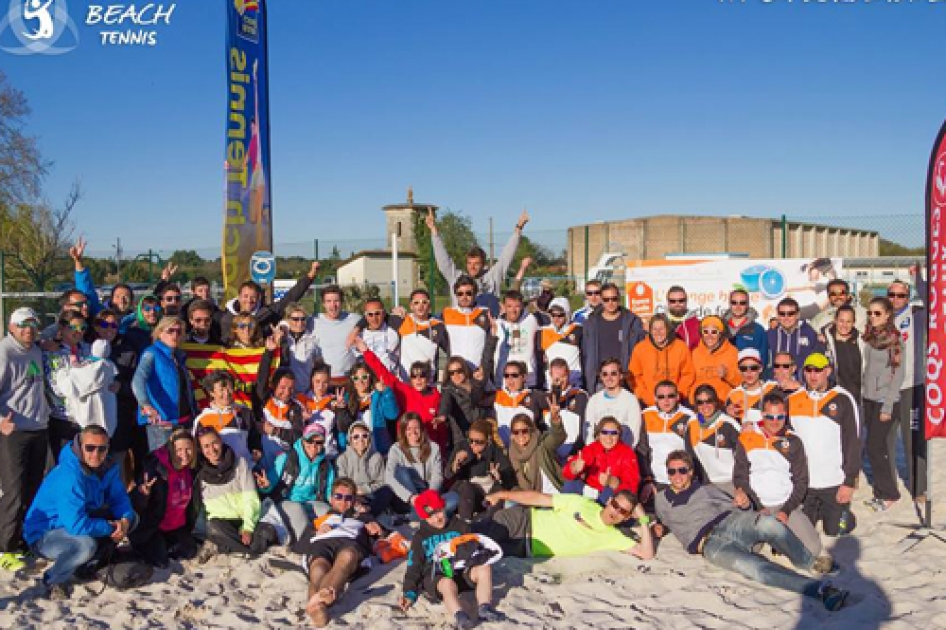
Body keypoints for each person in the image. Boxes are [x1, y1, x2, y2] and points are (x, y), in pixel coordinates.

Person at [654, 450, 848, 612]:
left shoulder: (706, 489)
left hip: (731, 522)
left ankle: (808, 561)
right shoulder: (661, 499)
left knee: (769, 524)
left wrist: (745, 505)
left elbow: (735, 507)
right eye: (672, 471)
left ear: (690, 472)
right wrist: (657, 527)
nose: (677, 476)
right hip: (710, 545)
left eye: (682, 470)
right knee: (755, 569)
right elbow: (662, 521)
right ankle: (820, 590)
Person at [23, 426, 137, 599]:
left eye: (102, 448)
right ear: (79, 447)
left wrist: (125, 520)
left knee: (134, 518)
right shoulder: (70, 475)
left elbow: (119, 498)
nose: (96, 454)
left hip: (83, 518)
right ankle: (53, 580)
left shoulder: (108, 467)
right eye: (90, 448)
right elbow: (75, 524)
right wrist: (110, 527)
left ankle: (89, 564)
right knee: (84, 545)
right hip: (46, 533)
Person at [733, 394, 824, 559]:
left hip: (784, 504)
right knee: (746, 550)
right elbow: (740, 477)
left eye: (780, 416)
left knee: (813, 549)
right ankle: (773, 537)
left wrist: (786, 511)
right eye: (770, 416)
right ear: (762, 415)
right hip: (757, 506)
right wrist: (758, 507)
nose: (775, 421)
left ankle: (777, 538)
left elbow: (801, 481)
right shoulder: (747, 437)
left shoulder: (794, 440)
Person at [399, 489, 506, 629]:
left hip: (462, 571)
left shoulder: (460, 526)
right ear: (424, 518)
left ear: (444, 507)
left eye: (438, 511)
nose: (437, 518)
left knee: (484, 568)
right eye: (430, 516)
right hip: (437, 576)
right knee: (447, 584)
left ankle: (484, 607)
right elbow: (414, 566)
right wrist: (409, 593)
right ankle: (460, 616)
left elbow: (474, 547)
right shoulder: (421, 537)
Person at [296, 477, 385, 628]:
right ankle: (320, 606)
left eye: (348, 498)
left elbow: (383, 537)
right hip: (323, 542)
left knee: (347, 557)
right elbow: (299, 545)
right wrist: (316, 532)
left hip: (350, 543)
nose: (343, 501)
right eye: (338, 496)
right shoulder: (321, 520)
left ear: (354, 500)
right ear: (331, 499)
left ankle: (317, 604)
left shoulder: (363, 517)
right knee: (318, 567)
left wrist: (378, 532)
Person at [788, 353, 860, 537]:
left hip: (833, 482)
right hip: (805, 484)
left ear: (827, 371)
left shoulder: (843, 398)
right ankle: (817, 512)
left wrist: (849, 481)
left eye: (818, 371)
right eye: (809, 370)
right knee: (803, 532)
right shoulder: (793, 399)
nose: (813, 375)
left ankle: (843, 512)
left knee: (837, 530)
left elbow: (853, 441)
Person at [0, 308, 50, 571]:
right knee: (13, 491)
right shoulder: (5, 351)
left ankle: (22, 541)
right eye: (22, 325)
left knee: (33, 488)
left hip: (38, 427)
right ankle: (4, 548)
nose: (28, 329)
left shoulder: (36, 349)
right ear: (11, 327)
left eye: (33, 324)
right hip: (14, 431)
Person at [480, 487, 655, 559]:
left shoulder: (613, 537)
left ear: (626, 518)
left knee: (482, 557)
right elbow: (538, 498)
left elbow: (646, 554)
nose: (615, 512)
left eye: (622, 511)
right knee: (476, 539)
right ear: (609, 501)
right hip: (523, 520)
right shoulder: (582, 502)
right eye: (616, 505)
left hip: (525, 548)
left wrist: (643, 519)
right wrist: (501, 495)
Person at [194, 427, 277, 560]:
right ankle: (250, 551)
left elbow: (251, 498)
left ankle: (231, 548)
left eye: (214, 443)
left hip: (244, 519)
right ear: (201, 449)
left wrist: (247, 528)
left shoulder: (240, 463)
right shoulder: (200, 473)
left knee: (269, 532)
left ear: (221, 441)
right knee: (214, 528)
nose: (212, 449)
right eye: (206, 446)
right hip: (222, 523)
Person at [428, 206, 529, 316]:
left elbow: (506, 256)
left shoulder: (492, 277)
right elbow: (443, 261)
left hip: (487, 326)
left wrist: (519, 228)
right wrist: (434, 232)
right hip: (461, 324)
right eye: (469, 263)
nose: (472, 267)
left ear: (483, 264)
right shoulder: (457, 278)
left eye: (476, 264)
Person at [356, 338, 447, 454]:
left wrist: (442, 453)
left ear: (428, 378)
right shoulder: (405, 391)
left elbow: (441, 428)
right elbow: (383, 372)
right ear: (410, 379)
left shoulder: (436, 396)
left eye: (422, 376)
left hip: (428, 448)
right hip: (406, 447)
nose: (418, 379)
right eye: (414, 376)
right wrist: (366, 351)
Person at [128, 428, 199, 567]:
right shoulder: (155, 469)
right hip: (154, 526)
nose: (184, 454)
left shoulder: (191, 470)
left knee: (189, 551)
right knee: (159, 560)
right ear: (171, 449)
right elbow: (135, 504)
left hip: (176, 526)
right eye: (179, 449)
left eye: (188, 449)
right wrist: (143, 494)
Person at [861, 297, 905, 512]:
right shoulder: (870, 337)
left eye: (877, 313)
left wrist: (888, 406)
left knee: (874, 447)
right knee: (874, 448)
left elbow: (898, 375)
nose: (872, 317)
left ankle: (890, 493)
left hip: (884, 401)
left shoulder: (894, 341)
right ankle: (879, 492)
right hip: (868, 398)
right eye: (870, 313)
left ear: (888, 314)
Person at [888, 270, 928, 504]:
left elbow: (934, 303)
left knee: (913, 438)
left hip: (912, 385)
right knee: (885, 441)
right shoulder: (880, 317)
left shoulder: (917, 315)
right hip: (885, 389)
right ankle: (888, 488)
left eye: (901, 295)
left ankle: (918, 487)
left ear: (908, 296)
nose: (895, 299)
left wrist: (919, 282)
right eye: (891, 295)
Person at [91, 308, 144, 482]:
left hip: (119, 418)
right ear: (96, 327)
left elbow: (139, 385)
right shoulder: (86, 350)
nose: (109, 328)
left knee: (117, 465)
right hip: (93, 418)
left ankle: (118, 503)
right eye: (104, 324)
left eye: (114, 325)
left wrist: (122, 387)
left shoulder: (128, 352)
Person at [132, 316, 197, 453]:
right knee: (163, 464)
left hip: (183, 420)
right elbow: (138, 380)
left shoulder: (179, 357)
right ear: (160, 333)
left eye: (179, 332)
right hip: (161, 422)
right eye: (170, 331)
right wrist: (146, 405)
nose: (175, 335)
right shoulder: (151, 353)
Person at [263, 423, 336, 543]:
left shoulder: (326, 465)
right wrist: (265, 486)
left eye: (318, 442)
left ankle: (325, 541)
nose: (313, 445)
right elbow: (269, 485)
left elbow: (329, 490)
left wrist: (336, 501)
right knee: (297, 510)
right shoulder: (286, 459)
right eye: (309, 440)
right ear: (303, 440)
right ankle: (306, 542)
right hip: (286, 501)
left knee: (327, 512)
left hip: (311, 502)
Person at [219, 261, 320, 344]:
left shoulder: (269, 314)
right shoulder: (226, 318)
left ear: (258, 298)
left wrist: (310, 277)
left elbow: (290, 297)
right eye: (245, 296)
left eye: (253, 297)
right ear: (239, 297)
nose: (249, 300)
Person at [42, 309, 92, 459]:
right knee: (65, 463)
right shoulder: (52, 352)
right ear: (62, 329)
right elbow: (58, 388)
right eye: (73, 327)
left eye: (82, 328)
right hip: (63, 418)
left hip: (87, 418)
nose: (79, 332)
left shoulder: (88, 350)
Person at [448, 420, 517, 521]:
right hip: (466, 493)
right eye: (471, 440)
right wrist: (455, 465)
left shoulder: (495, 451)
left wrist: (499, 476)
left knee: (499, 492)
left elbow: (509, 476)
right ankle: (465, 523)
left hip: (488, 492)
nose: (473, 444)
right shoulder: (462, 448)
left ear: (488, 440)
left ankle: (488, 522)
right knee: (466, 487)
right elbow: (448, 474)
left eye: (479, 442)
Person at [582, 283, 645, 392]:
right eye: (606, 299)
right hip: (600, 382)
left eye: (614, 299)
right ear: (601, 300)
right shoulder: (591, 323)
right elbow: (585, 354)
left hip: (625, 381)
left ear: (619, 299)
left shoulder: (632, 322)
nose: (610, 303)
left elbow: (641, 351)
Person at [384, 413, 452, 515]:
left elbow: (437, 476)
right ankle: (420, 512)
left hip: (428, 491)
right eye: (408, 429)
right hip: (410, 495)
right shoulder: (396, 449)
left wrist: (430, 496)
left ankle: (427, 511)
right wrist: (410, 497)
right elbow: (388, 477)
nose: (413, 432)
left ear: (422, 429)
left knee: (455, 497)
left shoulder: (434, 447)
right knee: (400, 471)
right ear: (403, 431)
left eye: (416, 428)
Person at [563, 416, 641, 503]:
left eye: (614, 433)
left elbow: (632, 487)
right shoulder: (592, 448)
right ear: (598, 434)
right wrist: (574, 468)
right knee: (570, 484)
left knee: (609, 492)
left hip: (611, 496)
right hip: (591, 492)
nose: (609, 437)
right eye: (604, 432)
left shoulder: (627, 453)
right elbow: (566, 472)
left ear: (619, 435)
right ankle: (568, 513)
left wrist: (613, 482)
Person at [637, 380, 695, 498]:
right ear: (655, 398)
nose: (666, 400)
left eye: (671, 396)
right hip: (655, 482)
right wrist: (647, 480)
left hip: (680, 480)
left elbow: (693, 452)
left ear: (677, 397)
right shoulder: (646, 415)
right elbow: (642, 450)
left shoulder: (689, 416)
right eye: (661, 396)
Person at [54, 338, 119, 437]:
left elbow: (69, 384)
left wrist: (63, 371)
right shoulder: (110, 367)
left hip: (85, 419)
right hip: (105, 421)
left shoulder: (88, 368)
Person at [193, 370, 260, 464]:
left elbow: (254, 438)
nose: (226, 393)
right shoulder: (203, 419)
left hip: (245, 469)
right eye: (221, 390)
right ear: (211, 392)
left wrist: (256, 450)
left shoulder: (245, 412)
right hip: (218, 473)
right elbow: (198, 450)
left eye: (229, 388)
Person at [629, 313, 694, 407]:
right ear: (650, 331)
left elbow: (688, 374)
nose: (658, 332)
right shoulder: (640, 349)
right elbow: (635, 376)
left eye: (662, 328)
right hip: (649, 402)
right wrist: (646, 397)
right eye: (654, 329)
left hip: (676, 401)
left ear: (668, 329)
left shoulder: (681, 347)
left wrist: (677, 394)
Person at [333, 361, 398, 454]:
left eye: (364, 377)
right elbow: (343, 429)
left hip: (378, 449)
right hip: (355, 451)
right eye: (356, 378)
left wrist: (386, 392)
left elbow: (392, 415)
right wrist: (341, 409)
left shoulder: (377, 395)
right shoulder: (345, 399)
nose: (360, 381)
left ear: (370, 377)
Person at [687, 384, 741, 495]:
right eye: (700, 402)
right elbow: (690, 454)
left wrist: (739, 484)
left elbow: (742, 457)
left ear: (715, 402)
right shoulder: (691, 423)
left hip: (730, 483)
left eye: (709, 401)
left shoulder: (728, 423)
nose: (705, 405)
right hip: (706, 484)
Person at [388, 289, 449, 381]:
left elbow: (450, 350)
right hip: (406, 383)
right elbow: (374, 313)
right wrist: (393, 309)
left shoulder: (438, 326)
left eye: (424, 302)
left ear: (429, 305)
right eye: (416, 303)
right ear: (411, 306)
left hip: (428, 383)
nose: (420, 306)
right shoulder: (402, 320)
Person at [334, 421, 392, 516]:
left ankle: (368, 511)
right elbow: (342, 484)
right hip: (351, 495)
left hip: (370, 493)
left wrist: (366, 489)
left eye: (364, 436)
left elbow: (382, 481)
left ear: (369, 438)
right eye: (356, 437)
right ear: (350, 440)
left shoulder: (377, 457)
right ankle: (363, 513)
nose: (360, 440)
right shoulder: (342, 459)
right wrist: (355, 494)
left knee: (387, 491)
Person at [585, 358, 643, 448]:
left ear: (620, 376)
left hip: (621, 453)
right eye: (605, 374)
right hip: (598, 452)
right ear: (600, 376)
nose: (609, 378)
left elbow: (634, 434)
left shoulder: (631, 400)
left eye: (613, 373)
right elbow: (589, 432)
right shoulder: (594, 400)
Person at [441, 277, 493, 372]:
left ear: (475, 293)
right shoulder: (446, 313)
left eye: (468, 293)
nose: (464, 297)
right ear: (456, 295)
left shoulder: (486, 313)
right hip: (456, 374)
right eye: (460, 294)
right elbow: (423, 319)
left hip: (479, 374)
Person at [491, 359, 547, 447]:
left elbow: (555, 399)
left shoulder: (534, 395)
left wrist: (557, 386)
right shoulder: (497, 396)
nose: (510, 379)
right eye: (506, 375)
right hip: (504, 450)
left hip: (529, 449)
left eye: (514, 375)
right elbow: (475, 399)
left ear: (524, 377)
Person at [438, 357, 492, 447]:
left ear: (465, 369)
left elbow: (487, 361)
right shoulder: (448, 390)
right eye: (452, 373)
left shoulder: (476, 384)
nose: (456, 375)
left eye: (459, 371)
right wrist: (442, 415)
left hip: (482, 435)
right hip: (462, 438)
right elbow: (445, 403)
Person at [508, 411, 567, 493]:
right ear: (512, 435)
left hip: (555, 493)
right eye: (516, 432)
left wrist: (555, 421)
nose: (520, 435)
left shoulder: (542, 445)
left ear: (531, 430)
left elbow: (558, 437)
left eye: (524, 431)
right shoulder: (512, 454)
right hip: (531, 498)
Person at [492, 290, 541, 388]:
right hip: (503, 382)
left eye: (517, 306)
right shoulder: (496, 324)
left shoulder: (531, 319)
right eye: (509, 306)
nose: (513, 310)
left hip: (529, 381)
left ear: (522, 306)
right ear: (503, 307)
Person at [543, 357, 588, 459]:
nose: (560, 381)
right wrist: (555, 392)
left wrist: (575, 451)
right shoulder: (544, 398)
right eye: (556, 378)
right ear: (550, 376)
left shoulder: (580, 395)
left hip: (573, 452)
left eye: (563, 376)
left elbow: (583, 429)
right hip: (552, 453)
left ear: (569, 374)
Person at [767, 297, 823, 378]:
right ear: (777, 315)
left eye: (790, 314)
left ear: (798, 315)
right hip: (776, 385)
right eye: (782, 314)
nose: (786, 318)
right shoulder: (770, 335)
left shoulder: (810, 333)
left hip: (802, 385)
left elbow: (817, 362)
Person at [690, 315, 740, 402]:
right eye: (705, 332)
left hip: (722, 404)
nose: (709, 336)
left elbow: (741, 381)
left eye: (714, 332)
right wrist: (692, 400)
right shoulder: (695, 353)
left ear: (721, 333)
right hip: (700, 404)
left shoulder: (732, 352)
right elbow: (690, 380)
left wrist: (727, 374)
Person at [724, 348, 778, 427]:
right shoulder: (733, 395)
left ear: (760, 369)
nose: (749, 372)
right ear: (739, 371)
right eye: (744, 369)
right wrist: (729, 415)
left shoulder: (774, 388)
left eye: (753, 368)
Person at [536, 297, 583, 389]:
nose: (556, 318)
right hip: (550, 385)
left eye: (560, 315)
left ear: (567, 314)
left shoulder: (578, 329)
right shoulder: (542, 332)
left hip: (573, 384)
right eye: (553, 315)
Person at [823, 305, 865, 405]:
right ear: (835, 320)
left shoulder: (862, 340)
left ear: (854, 322)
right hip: (833, 398)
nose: (844, 325)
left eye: (848, 321)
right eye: (841, 321)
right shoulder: (824, 341)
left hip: (857, 399)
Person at [279, 303, 322, 393]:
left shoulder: (312, 340)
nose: (300, 323)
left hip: (305, 391)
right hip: (284, 390)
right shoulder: (282, 338)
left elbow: (318, 366)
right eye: (295, 319)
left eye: (303, 319)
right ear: (288, 320)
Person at [354, 297, 400, 375]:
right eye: (370, 314)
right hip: (369, 381)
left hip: (390, 380)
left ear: (384, 314)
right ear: (365, 316)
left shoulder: (395, 331)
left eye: (377, 313)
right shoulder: (359, 336)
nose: (374, 318)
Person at [722, 289, 769, 360]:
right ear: (729, 304)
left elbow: (763, 359)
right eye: (734, 302)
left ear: (747, 305)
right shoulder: (720, 328)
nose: (738, 307)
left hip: (748, 371)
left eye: (742, 303)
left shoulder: (758, 330)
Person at [664, 286, 700, 350]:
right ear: (668, 302)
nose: (677, 304)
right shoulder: (660, 322)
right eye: (673, 301)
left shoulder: (697, 324)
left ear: (686, 301)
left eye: (681, 300)